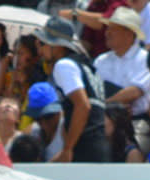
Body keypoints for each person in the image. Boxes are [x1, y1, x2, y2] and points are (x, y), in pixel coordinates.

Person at [34, 18, 109, 163]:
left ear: (57, 46)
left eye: (42, 43)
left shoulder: (63, 65)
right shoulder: (87, 66)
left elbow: (83, 106)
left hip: (84, 148)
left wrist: (68, 149)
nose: (40, 50)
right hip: (98, 146)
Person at [92, 8, 150, 121]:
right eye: (108, 28)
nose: (107, 33)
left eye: (113, 29)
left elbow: (135, 92)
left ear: (129, 34)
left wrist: (103, 105)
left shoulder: (145, 59)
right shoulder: (101, 60)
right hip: (103, 120)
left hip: (135, 122)